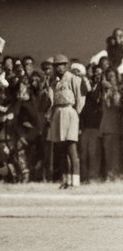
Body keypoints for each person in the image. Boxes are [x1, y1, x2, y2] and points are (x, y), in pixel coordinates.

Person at [47, 53, 85, 188]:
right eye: (57, 65)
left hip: (70, 112)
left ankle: (75, 181)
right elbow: (51, 101)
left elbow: (80, 98)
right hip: (58, 113)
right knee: (61, 150)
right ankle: (66, 180)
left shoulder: (73, 79)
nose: (60, 68)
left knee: (71, 148)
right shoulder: (53, 82)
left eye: (62, 65)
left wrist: (77, 114)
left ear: (66, 66)